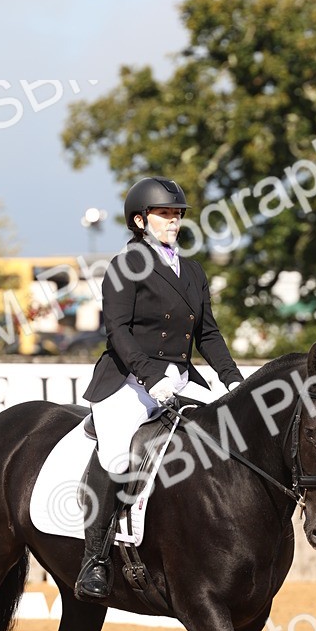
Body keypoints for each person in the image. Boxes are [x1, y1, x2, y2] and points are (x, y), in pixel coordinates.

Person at [74, 176, 243, 600]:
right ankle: (93, 561)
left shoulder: (193, 271)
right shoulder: (124, 266)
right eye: (164, 214)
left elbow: (208, 334)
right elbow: (118, 332)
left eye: (177, 214)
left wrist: (233, 380)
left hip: (183, 378)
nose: (173, 221)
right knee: (116, 455)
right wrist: (151, 378)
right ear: (140, 220)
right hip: (130, 380)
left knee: (235, 434)